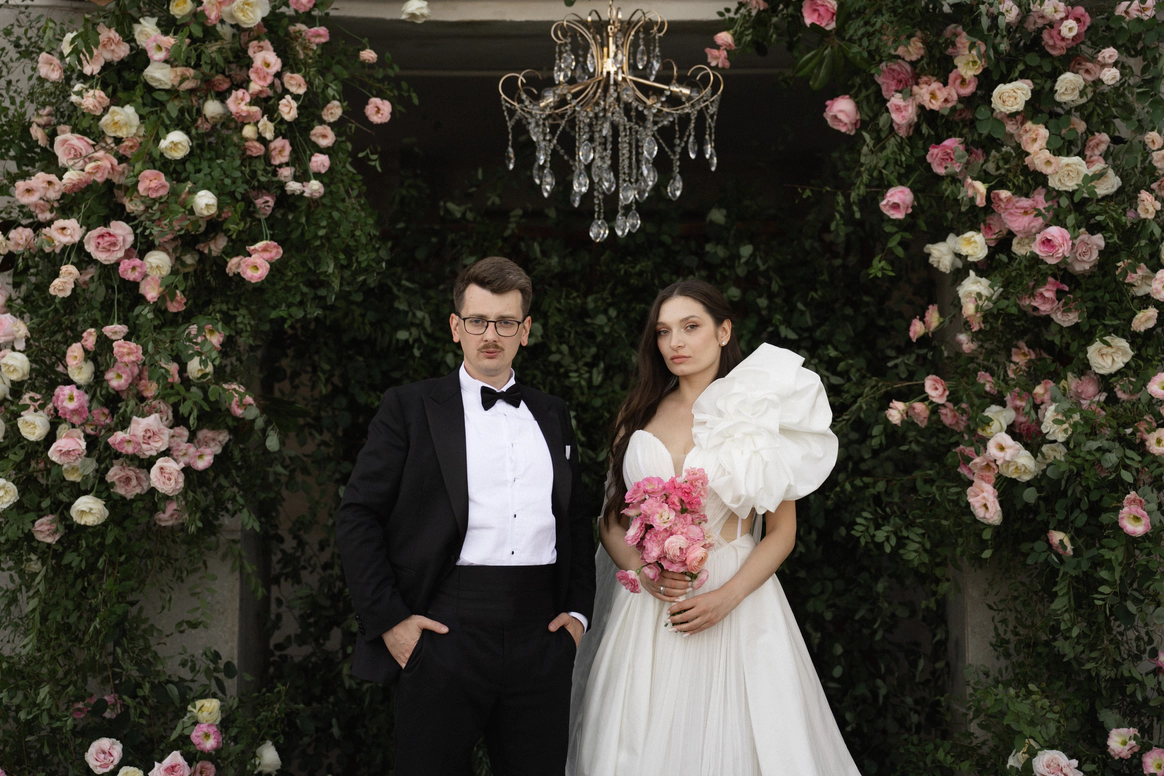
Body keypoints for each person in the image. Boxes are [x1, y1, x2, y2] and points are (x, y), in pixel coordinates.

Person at [567, 279, 862, 776]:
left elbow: (781, 533)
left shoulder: (758, 412)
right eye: (663, 331)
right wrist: (641, 570)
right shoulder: (636, 413)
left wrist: (727, 598)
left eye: (690, 327)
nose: (675, 343)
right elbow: (612, 520)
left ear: (724, 332)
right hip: (651, 608)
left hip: (735, 597)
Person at [335, 256, 595, 776]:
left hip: (541, 635)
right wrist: (391, 622)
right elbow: (358, 515)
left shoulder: (552, 412)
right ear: (456, 327)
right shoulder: (409, 407)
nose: (490, 335)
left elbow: (574, 518)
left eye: (505, 322)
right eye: (477, 321)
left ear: (525, 331)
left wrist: (578, 617)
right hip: (444, 632)